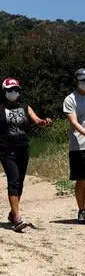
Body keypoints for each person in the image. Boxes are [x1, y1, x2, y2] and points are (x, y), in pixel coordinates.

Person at [0, 78, 52, 232]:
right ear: (4, 92)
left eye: (16, 90)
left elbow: (36, 120)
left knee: (21, 182)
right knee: (14, 179)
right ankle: (17, 219)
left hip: (23, 148)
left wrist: (43, 122)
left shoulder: (25, 107)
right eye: (10, 90)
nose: (14, 93)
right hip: (6, 149)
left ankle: (12, 213)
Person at [63, 68, 85, 224]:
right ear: (77, 82)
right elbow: (73, 121)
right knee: (82, 179)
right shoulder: (70, 99)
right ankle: (82, 210)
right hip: (79, 145)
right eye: (82, 81)